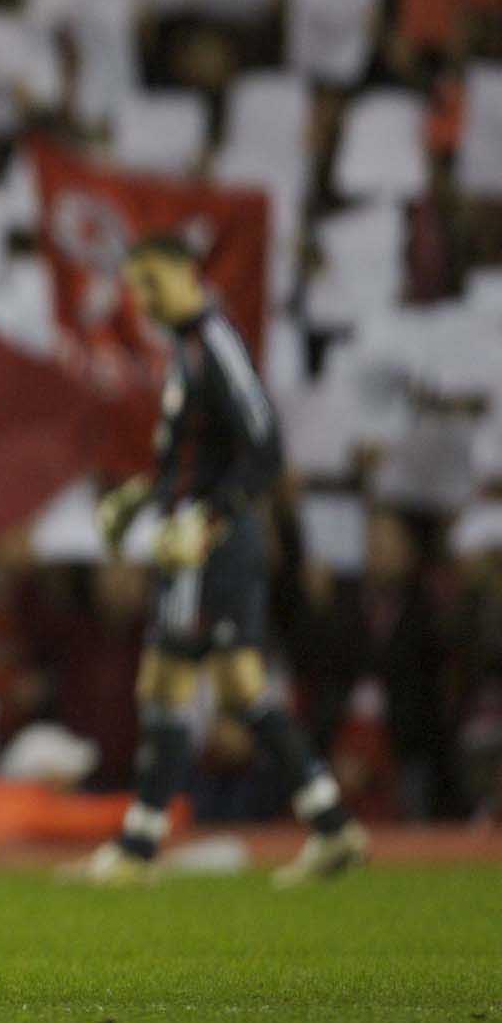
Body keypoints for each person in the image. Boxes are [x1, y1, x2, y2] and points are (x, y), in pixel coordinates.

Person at [65, 235, 369, 887]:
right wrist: (140, 497)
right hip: (194, 535)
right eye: (136, 288)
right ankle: (331, 823)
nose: (142, 301)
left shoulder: (217, 346)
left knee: (180, 679)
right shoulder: (189, 351)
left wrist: (210, 518)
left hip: (210, 544)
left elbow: (265, 448)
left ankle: (138, 849)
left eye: (151, 283)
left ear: (185, 274)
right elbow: (196, 460)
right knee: (221, 684)